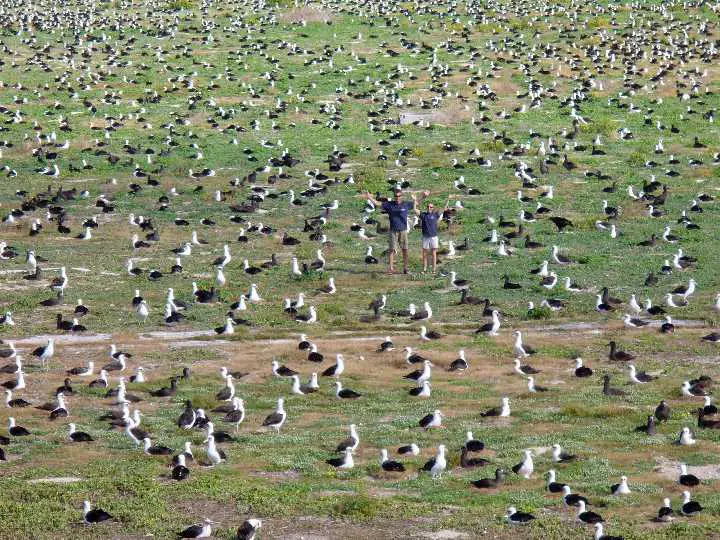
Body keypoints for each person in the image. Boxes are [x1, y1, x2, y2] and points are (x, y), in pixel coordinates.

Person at [364, 189, 416, 274]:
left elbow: (416, 203)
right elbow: (377, 203)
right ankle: (391, 269)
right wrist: (369, 197)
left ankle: (406, 268)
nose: (397, 198)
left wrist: (423, 196)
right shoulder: (389, 204)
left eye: (399, 196)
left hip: (403, 230)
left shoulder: (405, 204)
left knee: (405, 249)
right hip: (393, 231)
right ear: (394, 197)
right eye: (396, 196)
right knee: (391, 250)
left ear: (401, 196)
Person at [418, 195, 448, 274]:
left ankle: (434, 270)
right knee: (424, 253)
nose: (429, 208)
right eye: (428, 207)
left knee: (434, 253)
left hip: (434, 237)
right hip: (425, 237)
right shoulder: (423, 215)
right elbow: (415, 209)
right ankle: (424, 269)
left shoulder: (435, 215)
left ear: (433, 208)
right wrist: (415, 201)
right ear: (426, 207)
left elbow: (444, 208)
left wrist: (448, 199)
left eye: (431, 207)